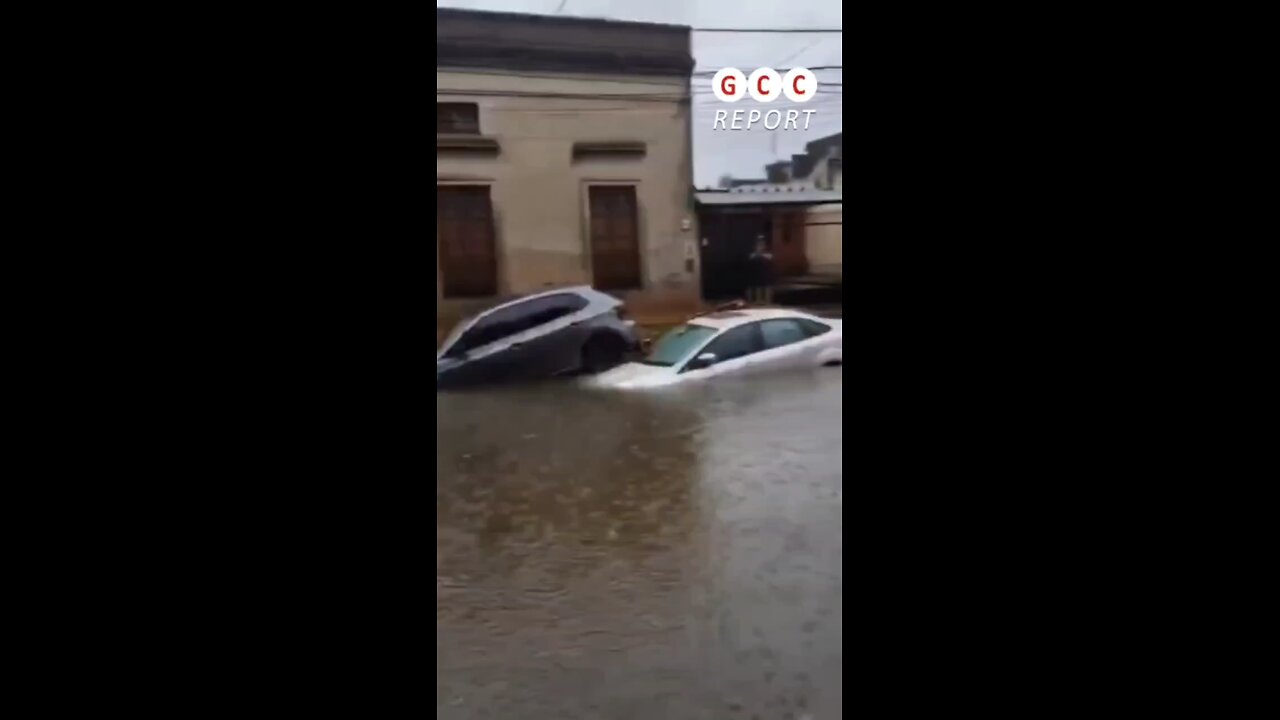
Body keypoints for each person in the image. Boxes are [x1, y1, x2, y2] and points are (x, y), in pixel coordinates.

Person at [746, 238, 774, 304]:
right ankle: (756, 302)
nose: (760, 247)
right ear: (755, 246)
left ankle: (767, 302)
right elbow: (751, 260)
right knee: (757, 289)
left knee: (767, 290)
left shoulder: (768, 255)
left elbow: (769, 260)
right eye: (758, 245)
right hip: (756, 277)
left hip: (766, 277)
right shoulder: (752, 255)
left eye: (762, 245)